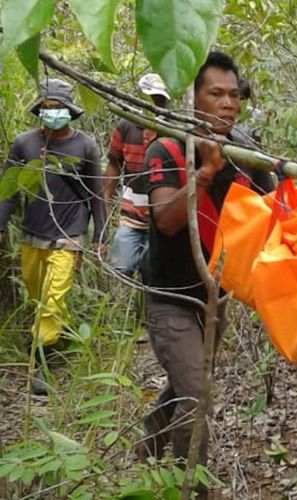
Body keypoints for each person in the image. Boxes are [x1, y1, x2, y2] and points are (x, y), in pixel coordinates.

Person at [138, 52, 274, 487]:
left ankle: (148, 441)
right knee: (197, 396)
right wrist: (204, 174)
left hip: (215, 296)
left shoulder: (246, 152)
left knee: (188, 384)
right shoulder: (167, 148)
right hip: (170, 297)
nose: (227, 104)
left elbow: (270, 213)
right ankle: (193, 488)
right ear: (193, 98)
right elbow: (166, 219)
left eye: (234, 95)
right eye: (215, 93)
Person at [0, 78, 106, 396]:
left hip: (69, 235)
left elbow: (96, 196)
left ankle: (40, 365)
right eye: (47, 107)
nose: (52, 112)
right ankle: (59, 336)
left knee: (52, 299)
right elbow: (7, 190)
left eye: (58, 107)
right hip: (32, 235)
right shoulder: (24, 144)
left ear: (69, 110)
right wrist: (1, 226)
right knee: (38, 297)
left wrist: (99, 235)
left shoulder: (85, 146)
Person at [103, 73, 170, 279]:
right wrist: (103, 204)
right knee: (121, 269)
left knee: (156, 277)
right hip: (131, 217)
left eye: (159, 100)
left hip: (163, 220)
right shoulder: (126, 127)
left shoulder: (173, 131)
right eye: (150, 98)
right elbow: (114, 164)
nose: (154, 104)